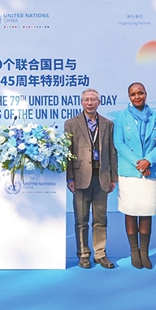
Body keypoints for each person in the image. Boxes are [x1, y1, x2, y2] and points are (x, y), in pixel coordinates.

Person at [113, 82, 156, 270]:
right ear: (129, 97)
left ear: (146, 94)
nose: (137, 97)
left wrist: (148, 161)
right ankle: (133, 251)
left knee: (146, 211)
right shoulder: (121, 117)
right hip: (130, 171)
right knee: (131, 210)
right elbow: (119, 143)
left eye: (140, 93)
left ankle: (144, 251)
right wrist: (139, 164)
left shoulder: (155, 116)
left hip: (151, 170)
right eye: (133, 94)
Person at [65, 88, 116, 269]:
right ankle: (83, 254)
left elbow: (112, 151)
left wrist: (113, 177)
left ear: (99, 102)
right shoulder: (71, 124)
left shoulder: (108, 124)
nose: (90, 103)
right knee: (81, 219)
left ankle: (100, 253)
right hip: (80, 178)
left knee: (100, 219)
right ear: (81, 102)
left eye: (93, 99)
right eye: (86, 100)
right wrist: (69, 178)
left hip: (102, 177)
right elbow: (68, 153)